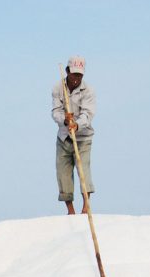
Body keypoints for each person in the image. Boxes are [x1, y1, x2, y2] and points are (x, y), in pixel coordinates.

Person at [51, 55, 96, 215]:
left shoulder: (88, 90)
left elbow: (88, 113)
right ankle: (70, 210)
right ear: (67, 71)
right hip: (64, 137)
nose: (76, 78)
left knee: (83, 169)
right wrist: (64, 120)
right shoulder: (58, 88)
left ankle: (86, 206)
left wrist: (76, 124)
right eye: (74, 74)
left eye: (80, 75)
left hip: (83, 137)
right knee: (63, 172)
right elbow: (55, 111)